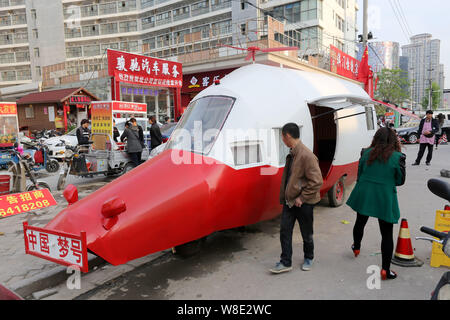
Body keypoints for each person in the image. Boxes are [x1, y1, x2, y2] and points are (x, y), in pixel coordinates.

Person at [346, 127, 406, 280]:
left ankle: (356, 247)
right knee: (386, 234)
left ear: (376, 138)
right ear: (394, 140)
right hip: (384, 196)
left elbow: (359, 175)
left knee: (360, 222)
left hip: (365, 193)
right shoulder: (398, 157)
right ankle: (385, 270)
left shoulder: (365, 153)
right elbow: (400, 181)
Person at [270, 123, 323, 274]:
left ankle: (309, 257)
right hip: (290, 202)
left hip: (303, 203)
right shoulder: (293, 153)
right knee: (285, 231)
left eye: (282, 136)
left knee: (306, 232)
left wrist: (303, 197)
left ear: (287, 136)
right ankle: (286, 262)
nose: (282, 139)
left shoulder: (307, 156)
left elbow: (317, 181)